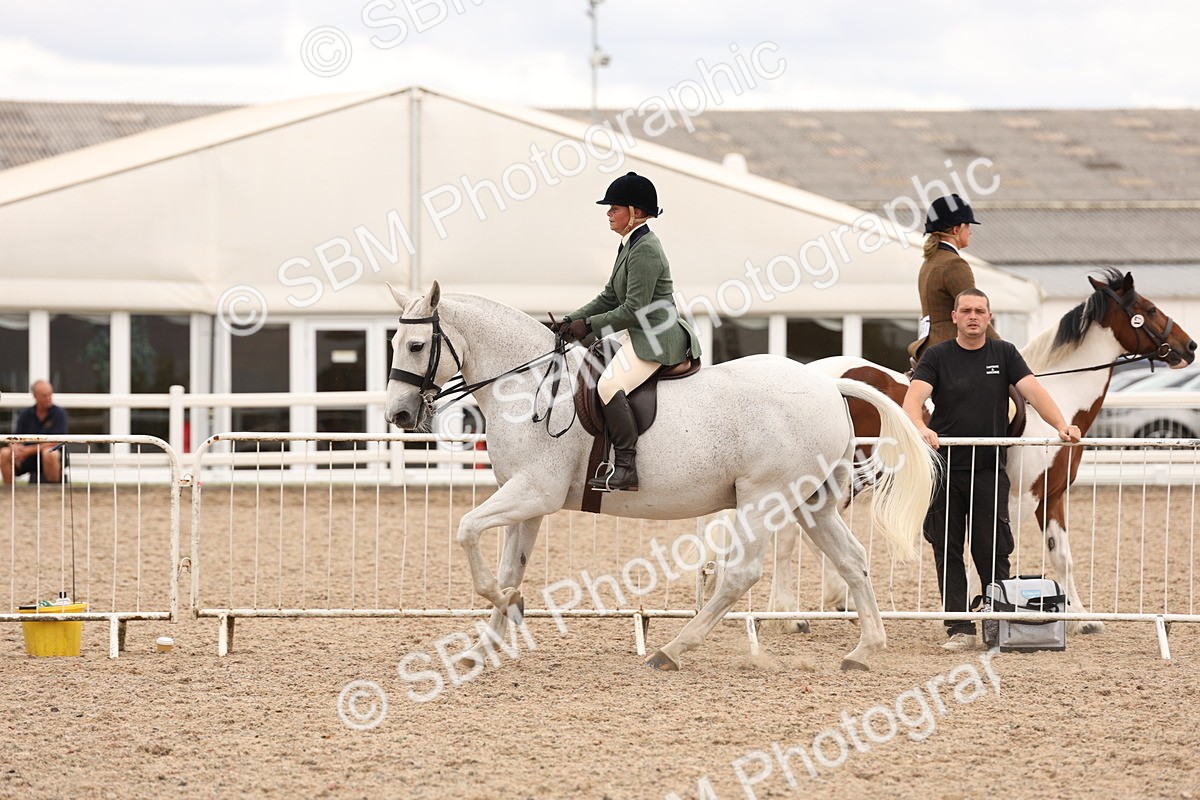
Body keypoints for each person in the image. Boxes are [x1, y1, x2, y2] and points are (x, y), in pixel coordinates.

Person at [903, 289, 1080, 651]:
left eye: (979, 311)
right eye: (965, 310)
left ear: (989, 316)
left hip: (988, 468)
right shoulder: (937, 356)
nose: (973, 316)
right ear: (954, 316)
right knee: (948, 547)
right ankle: (959, 628)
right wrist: (921, 428)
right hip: (945, 467)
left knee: (993, 546)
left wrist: (1062, 425)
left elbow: (1035, 393)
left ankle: (997, 621)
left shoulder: (1005, 354)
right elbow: (912, 401)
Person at [557, 172, 701, 492]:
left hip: (656, 336)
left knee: (609, 384)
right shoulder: (629, 244)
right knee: (591, 362)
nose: (608, 213)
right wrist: (571, 320)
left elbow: (634, 309)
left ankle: (626, 467)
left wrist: (589, 326)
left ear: (635, 212)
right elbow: (609, 296)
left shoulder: (646, 248)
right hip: (638, 331)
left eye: (615, 208)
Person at [907, 193, 999, 363]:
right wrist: (1003, 349)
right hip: (952, 351)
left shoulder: (928, 262)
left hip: (928, 348)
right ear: (956, 230)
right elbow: (975, 312)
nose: (970, 232)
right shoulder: (955, 264)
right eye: (968, 227)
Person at [1, 380, 69, 484]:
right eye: (44, 396)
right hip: (27, 458)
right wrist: (15, 447)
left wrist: (29, 450)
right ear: (35, 396)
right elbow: (14, 437)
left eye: (50, 395)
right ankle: (10, 492)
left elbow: (57, 441)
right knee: (4, 453)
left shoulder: (59, 414)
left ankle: (54, 492)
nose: (48, 399)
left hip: (49, 457)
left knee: (50, 453)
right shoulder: (25, 414)